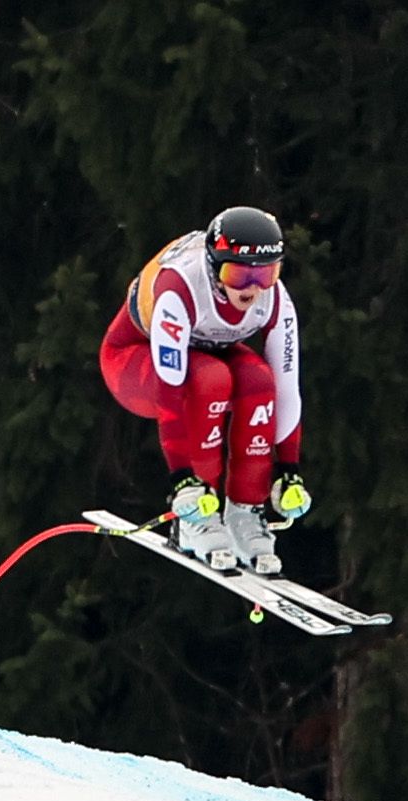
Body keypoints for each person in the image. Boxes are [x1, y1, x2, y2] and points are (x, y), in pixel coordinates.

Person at [98, 204, 313, 576]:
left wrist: (289, 470)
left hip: (206, 355)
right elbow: (170, 391)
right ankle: (197, 519)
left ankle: (246, 513)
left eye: (266, 273)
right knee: (208, 379)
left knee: (258, 381)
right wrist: (183, 479)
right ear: (214, 269)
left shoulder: (274, 298)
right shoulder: (179, 286)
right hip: (134, 361)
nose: (252, 289)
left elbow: (287, 386)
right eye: (238, 274)